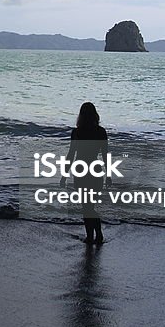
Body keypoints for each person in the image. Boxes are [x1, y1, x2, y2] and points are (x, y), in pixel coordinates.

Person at [64, 101, 108, 245]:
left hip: (81, 172)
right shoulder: (101, 132)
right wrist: (108, 174)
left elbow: (71, 155)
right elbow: (105, 155)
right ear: (95, 114)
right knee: (90, 207)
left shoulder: (77, 132)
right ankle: (95, 235)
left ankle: (93, 236)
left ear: (81, 115)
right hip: (95, 171)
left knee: (86, 207)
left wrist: (64, 175)